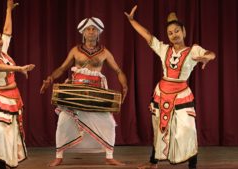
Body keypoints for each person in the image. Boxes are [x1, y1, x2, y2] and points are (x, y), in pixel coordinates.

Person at [125, 5, 215, 169]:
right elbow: (147, 36)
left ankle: (192, 165)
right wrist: (132, 21)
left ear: (184, 31)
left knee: (188, 129)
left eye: (177, 31)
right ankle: (154, 163)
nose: (174, 35)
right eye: (170, 33)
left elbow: (210, 53)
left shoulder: (193, 51)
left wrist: (206, 57)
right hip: (162, 93)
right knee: (159, 127)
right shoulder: (164, 49)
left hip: (181, 94)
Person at [40, 17, 128, 167]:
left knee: (108, 122)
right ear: (83, 32)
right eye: (88, 29)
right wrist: (49, 78)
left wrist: (124, 86)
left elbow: (118, 70)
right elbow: (62, 68)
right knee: (63, 121)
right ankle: (59, 156)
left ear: (99, 32)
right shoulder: (75, 50)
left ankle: (109, 156)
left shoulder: (105, 52)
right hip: (76, 91)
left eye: (94, 29)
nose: (91, 31)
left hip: (96, 92)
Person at [0, 0, 35, 168]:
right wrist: (19, 68)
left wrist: (8, 10)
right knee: (0, 133)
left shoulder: (3, 54)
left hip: (11, 98)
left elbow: (7, 32)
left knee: (10, 133)